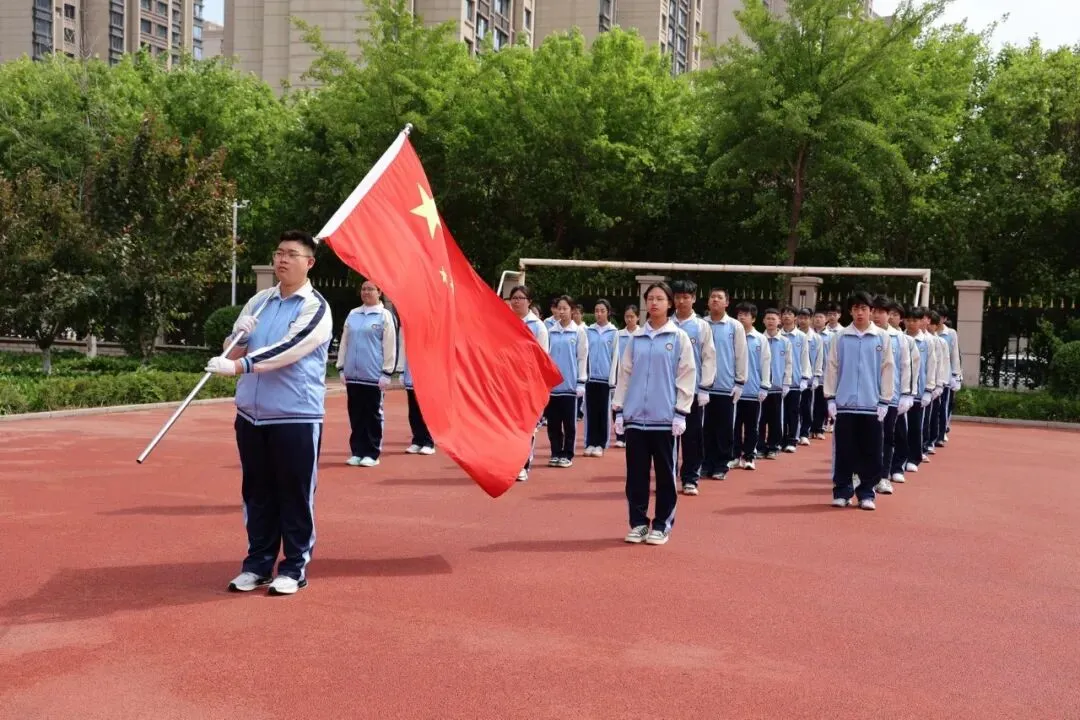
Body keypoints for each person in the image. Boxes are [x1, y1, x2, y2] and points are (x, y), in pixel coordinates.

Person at [205, 229, 333, 596]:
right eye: (278, 252)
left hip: (295, 415)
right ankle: (258, 564)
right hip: (251, 415)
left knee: (293, 494)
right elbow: (229, 353)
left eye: (291, 254)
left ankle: (294, 567)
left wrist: (241, 364)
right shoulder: (259, 301)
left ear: (309, 263)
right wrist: (237, 340)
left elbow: (289, 348)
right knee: (257, 493)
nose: (282, 259)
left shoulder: (316, 308)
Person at [612, 282, 696, 546]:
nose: (654, 303)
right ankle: (638, 523)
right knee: (636, 475)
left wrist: (681, 411)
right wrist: (619, 409)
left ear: (670, 303)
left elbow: (686, 375)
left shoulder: (678, 337)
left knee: (665, 475)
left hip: (665, 419)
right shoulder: (635, 338)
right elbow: (624, 375)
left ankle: (662, 524)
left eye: (660, 298)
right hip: (636, 418)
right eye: (650, 298)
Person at [823, 291, 895, 510]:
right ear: (850, 311)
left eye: (864, 308)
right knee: (844, 450)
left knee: (871, 450)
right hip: (845, 404)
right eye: (855, 308)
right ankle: (842, 491)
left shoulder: (882, 337)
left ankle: (866, 492)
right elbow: (832, 368)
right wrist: (831, 398)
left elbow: (887, 369)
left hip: (871, 405)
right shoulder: (841, 337)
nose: (860, 313)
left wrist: (884, 400)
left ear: (871, 311)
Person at [336, 280, 397, 467]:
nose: (366, 292)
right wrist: (341, 367)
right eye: (363, 289)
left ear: (379, 292)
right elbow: (345, 341)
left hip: (374, 375)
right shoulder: (353, 314)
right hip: (353, 374)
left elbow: (390, 345)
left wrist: (387, 372)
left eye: (370, 289)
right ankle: (357, 451)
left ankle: (371, 452)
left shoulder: (384, 316)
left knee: (372, 414)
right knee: (355, 414)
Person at [670, 280, 716, 495]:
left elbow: (708, 358)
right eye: (678, 297)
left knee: (692, 437)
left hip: (693, 392)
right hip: (667, 391)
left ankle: (690, 478)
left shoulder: (701, 326)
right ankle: (668, 476)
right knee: (667, 438)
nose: (681, 301)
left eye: (686, 297)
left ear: (694, 299)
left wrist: (705, 387)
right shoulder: (666, 324)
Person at [701, 288, 747, 480]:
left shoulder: (734, 326)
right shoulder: (701, 324)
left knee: (724, 427)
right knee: (705, 428)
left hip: (725, 385)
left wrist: (739, 382)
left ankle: (721, 464)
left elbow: (741, 355)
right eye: (712, 297)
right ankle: (705, 463)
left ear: (727, 302)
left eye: (720, 297)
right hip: (703, 386)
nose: (715, 300)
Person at [871, 295, 912, 496]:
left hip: (891, 397)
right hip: (865, 397)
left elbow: (906, 366)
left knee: (888, 437)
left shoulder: (900, 339)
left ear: (889, 315)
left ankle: (883, 477)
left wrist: (906, 394)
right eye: (874, 311)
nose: (877, 316)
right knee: (864, 438)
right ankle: (862, 474)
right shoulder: (863, 334)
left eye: (881, 312)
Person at [509, 284, 548, 481]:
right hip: (507, 382)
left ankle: (523, 464)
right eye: (513, 297)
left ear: (529, 301)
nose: (516, 301)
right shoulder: (504, 322)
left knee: (526, 425)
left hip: (528, 383)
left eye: (520, 298)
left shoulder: (537, 326)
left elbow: (543, 358)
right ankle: (510, 461)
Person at [546, 295, 587, 467]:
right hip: (553, 386)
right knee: (553, 423)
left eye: (565, 308)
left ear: (572, 310)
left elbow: (582, 358)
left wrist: (581, 382)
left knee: (569, 424)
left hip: (570, 386)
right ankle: (556, 452)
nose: (562, 312)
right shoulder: (550, 332)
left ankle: (568, 454)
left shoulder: (578, 332)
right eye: (559, 308)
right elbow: (546, 358)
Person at [732, 302, 771, 471]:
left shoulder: (760, 339)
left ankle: (749, 456)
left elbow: (765, 363)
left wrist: (764, 386)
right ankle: (734, 455)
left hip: (752, 389)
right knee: (733, 425)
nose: (741, 317)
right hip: (733, 389)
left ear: (753, 319)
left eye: (746, 315)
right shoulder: (732, 335)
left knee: (751, 425)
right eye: (739, 314)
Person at [583, 299, 619, 457]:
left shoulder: (614, 332)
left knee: (603, 413)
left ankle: (600, 443)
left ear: (608, 312)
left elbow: (615, 357)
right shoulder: (588, 331)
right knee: (590, 412)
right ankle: (590, 442)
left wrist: (613, 381)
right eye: (596, 310)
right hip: (591, 379)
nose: (598, 313)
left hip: (605, 380)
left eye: (602, 310)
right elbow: (584, 355)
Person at [758, 309, 792, 459]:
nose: (771, 321)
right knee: (760, 418)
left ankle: (773, 446)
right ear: (763, 321)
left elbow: (789, 364)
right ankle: (759, 446)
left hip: (777, 386)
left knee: (776, 419)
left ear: (779, 321)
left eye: (773, 319)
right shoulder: (759, 339)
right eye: (768, 318)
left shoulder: (785, 342)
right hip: (760, 386)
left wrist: (786, 383)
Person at [779, 306, 812, 453]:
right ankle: (779, 439)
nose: (786, 316)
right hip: (778, 382)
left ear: (795, 318)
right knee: (778, 413)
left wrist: (805, 377)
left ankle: (792, 439)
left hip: (795, 381)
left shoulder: (801, 337)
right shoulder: (776, 335)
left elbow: (805, 358)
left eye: (790, 314)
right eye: (784, 314)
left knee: (793, 411)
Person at [400, 336, 435, 456]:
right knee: (413, 411)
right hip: (410, 373)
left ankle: (428, 442)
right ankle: (417, 440)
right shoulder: (409, 331)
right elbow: (404, 350)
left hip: (426, 374)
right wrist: (401, 371)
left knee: (425, 411)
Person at [612, 305, 640, 448]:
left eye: (632, 317)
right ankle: (619, 435)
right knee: (618, 404)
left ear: (638, 317)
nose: (629, 319)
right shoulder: (619, 334)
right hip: (620, 375)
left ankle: (630, 433)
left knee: (632, 406)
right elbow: (614, 355)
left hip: (635, 376)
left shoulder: (641, 334)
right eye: (627, 317)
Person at [796, 308, 822, 446]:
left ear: (810, 319)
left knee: (806, 406)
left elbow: (819, 358)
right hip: (794, 377)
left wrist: (817, 375)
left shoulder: (816, 338)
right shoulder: (792, 335)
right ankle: (792, 432)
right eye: (800, 317)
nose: (803, 320)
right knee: (793, 408)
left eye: (806, 317)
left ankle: (804, 432)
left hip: (808, 378)